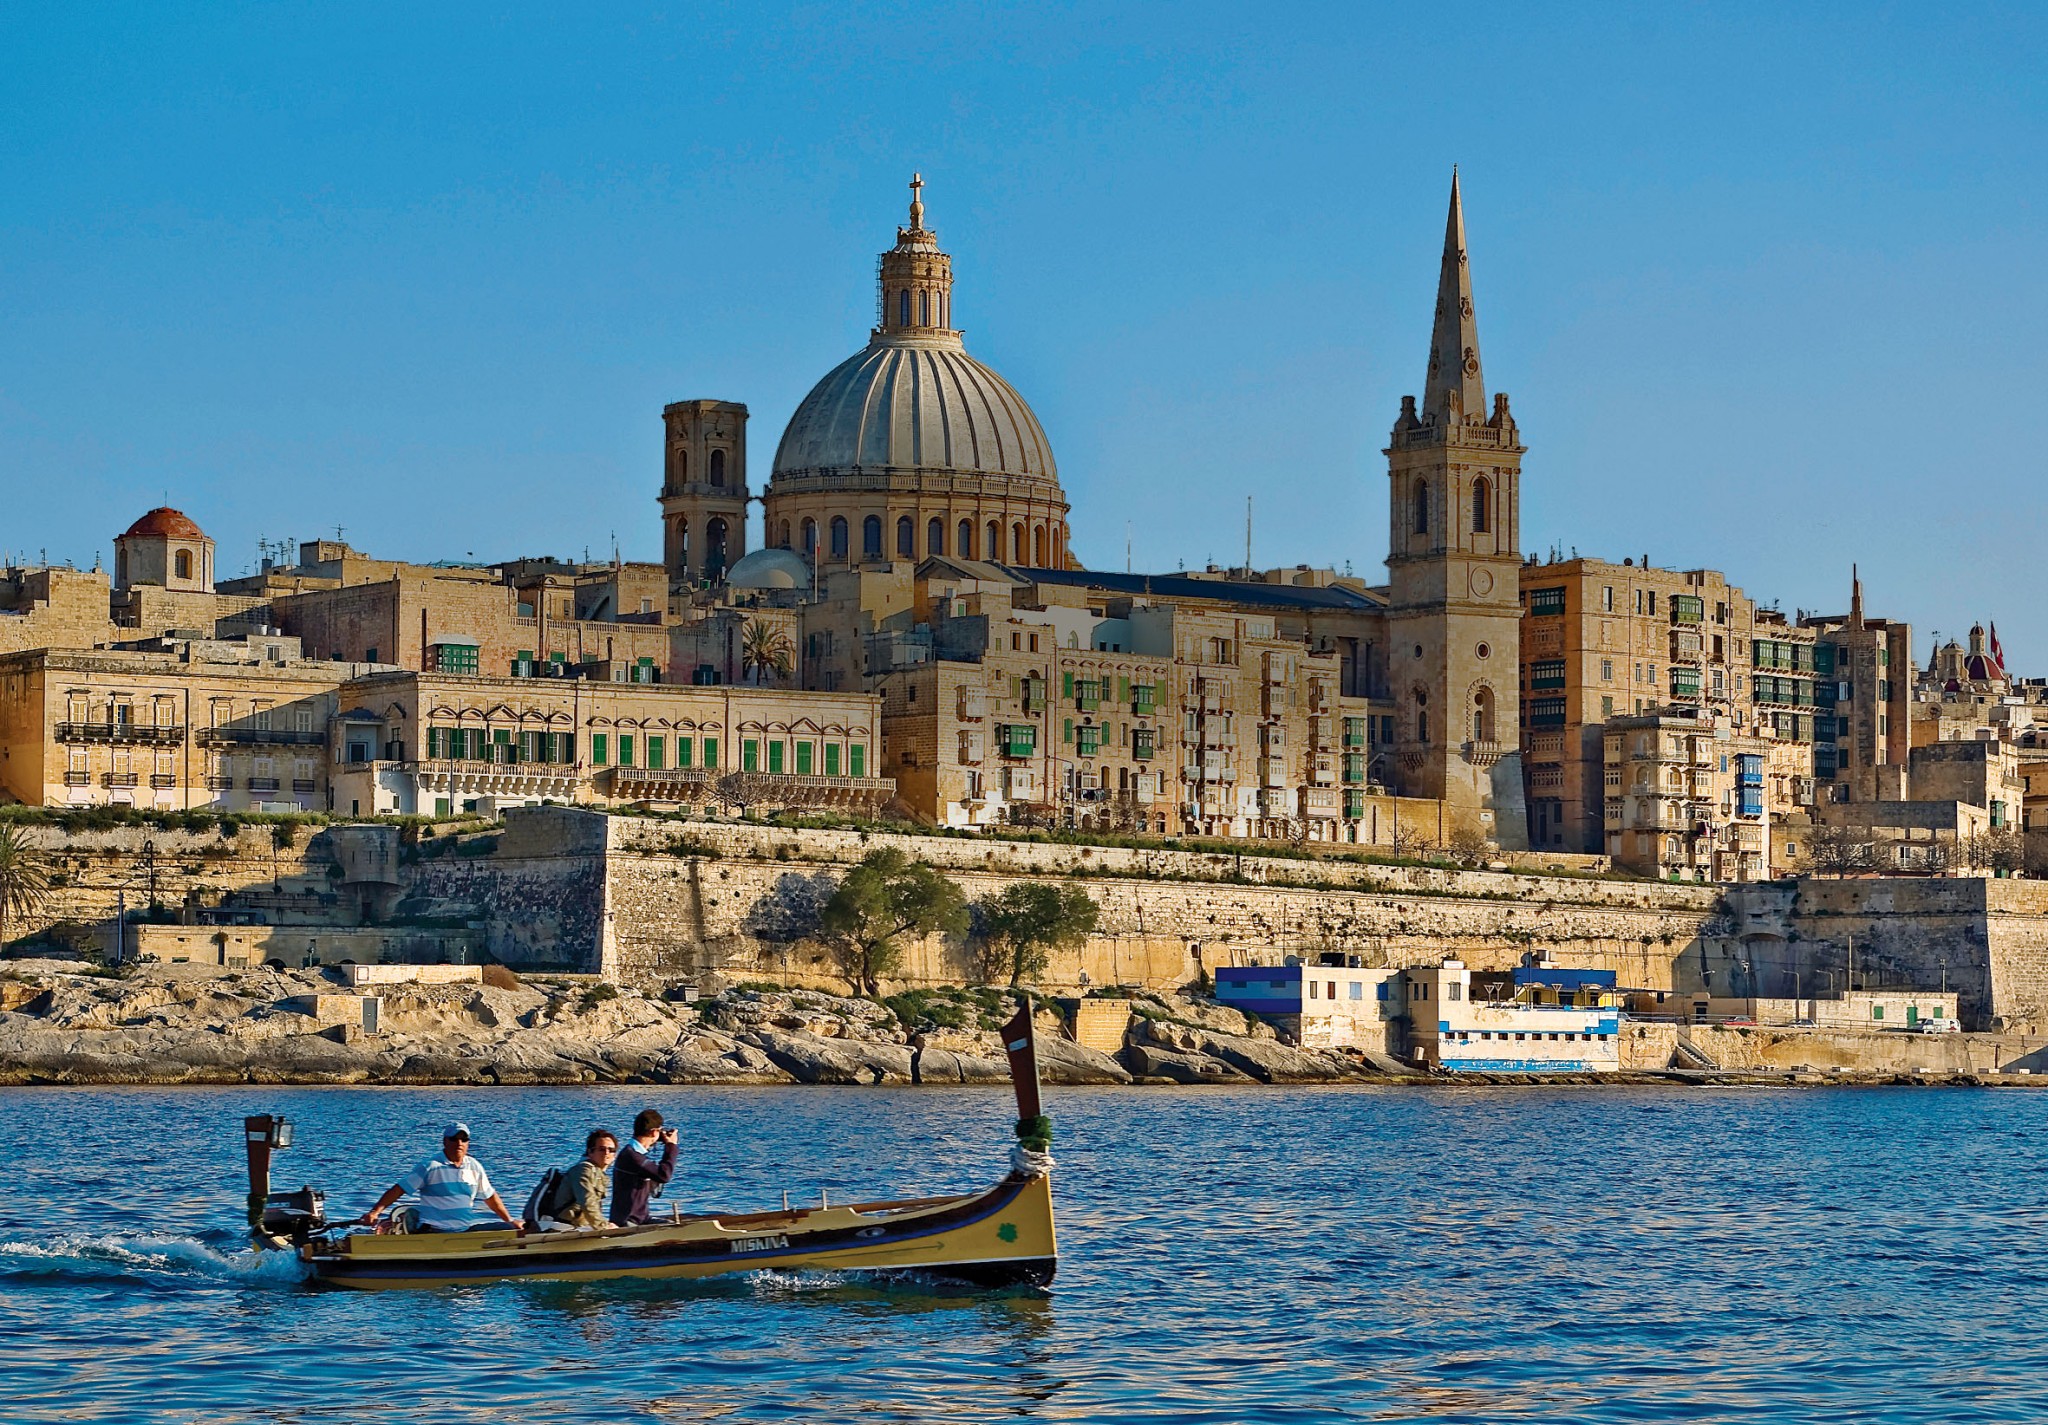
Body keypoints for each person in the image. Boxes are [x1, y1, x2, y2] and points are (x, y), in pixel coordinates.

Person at [362, 1122, 519, 1234]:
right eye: (454, 1139)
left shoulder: (474, 1166)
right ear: (445, 1141)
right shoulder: (430, 1166)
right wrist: (375, 1212)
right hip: (434, 1231)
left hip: (465, 1231)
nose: (459, 1143)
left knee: (512, 1229)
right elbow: (398, 1190)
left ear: (468, 1143)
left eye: (464, 1139)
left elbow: (490, 1196)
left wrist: (509, 1220)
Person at [609, 1109, 678, 1226]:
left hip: (640, 1219)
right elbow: (664, 1175)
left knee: (671, 1226)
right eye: (660, 1130)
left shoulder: (632, 1153)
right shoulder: (632, 1156)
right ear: (654, 1132)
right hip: (628, 1222)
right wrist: (671, 1146)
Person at [545, 1130, 618, 1230]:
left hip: (580, 1225)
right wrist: (603, 1226)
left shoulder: (597, 1173)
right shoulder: (583, 1171)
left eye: (611, 1150)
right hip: (565, 1225)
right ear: (590, 1152)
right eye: (601, 1149)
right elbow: (587, 1201)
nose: (607, 1153)